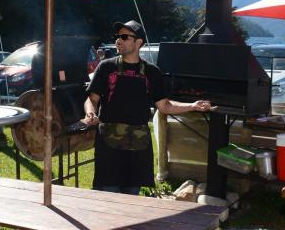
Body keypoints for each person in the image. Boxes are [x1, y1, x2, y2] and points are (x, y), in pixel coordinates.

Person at [82, 20, 211, 195]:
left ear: (138, 42)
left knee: (132, 196)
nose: (118, 41)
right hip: (108, 144)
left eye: (124, 37)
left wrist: (192, 106)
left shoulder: (152, 72)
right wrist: (90, 112)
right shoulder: (106, 67)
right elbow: (91, 99)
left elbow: (164, 106)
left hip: (138, 144)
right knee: (107, 194)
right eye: (117, 37)